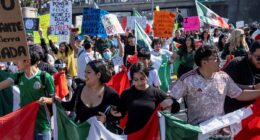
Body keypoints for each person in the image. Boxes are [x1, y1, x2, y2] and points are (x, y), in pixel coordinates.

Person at [170, 45, 260, 126]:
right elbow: (171, 98)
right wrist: (170, 103)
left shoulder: (224, 77)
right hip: (198, 131)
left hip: (219, 129)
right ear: (204, 62)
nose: (219, 61)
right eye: (216, 58)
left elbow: (240, 94)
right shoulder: (187, 79)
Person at [0, 47, 55, 140]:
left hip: (43, 127)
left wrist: (46, 100)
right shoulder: (19, 76)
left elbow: (55, 100)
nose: (15, 62)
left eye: (19, 59)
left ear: (27, 61)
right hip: (25, 125)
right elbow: (2, 85)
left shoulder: (45, 77)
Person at [117, 62, 180, 134]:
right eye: (136, 80)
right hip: (132, 135)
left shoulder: (156, 92)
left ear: (147, 76)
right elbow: (120, 112)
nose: (139, 83)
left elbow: (176, 108)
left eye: (142, 79)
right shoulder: (126, 93)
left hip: (151, 135)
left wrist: (171, 102)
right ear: (132, 79)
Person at [59, 60, 120, 132]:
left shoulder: (110, 93)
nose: (85, 75)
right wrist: (55, 102)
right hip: (81, 135)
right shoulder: (79, 89)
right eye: (85, 72)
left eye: (88, 72)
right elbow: (70, 105)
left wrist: (106, 119)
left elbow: (121, 114)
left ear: (98, 75)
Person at [224, 40, 260, 113]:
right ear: (249, 53)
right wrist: (253, 88)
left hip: (254, 112)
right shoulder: (237, 64)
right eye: (259, 58)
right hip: (236, 114)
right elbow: (226, 86)